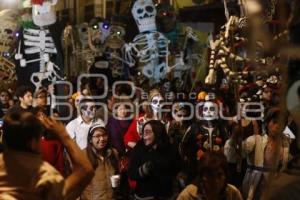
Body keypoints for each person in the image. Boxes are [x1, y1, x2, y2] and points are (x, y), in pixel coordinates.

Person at [0, 111, 94, 199]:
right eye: (39, 138)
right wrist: (63, 134)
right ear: (33, 143)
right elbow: (85, 170)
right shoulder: (45, 176)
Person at [242, 108, 291, 200]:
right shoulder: (256, 140)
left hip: (276, 188)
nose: (277, 126)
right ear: (267, 123)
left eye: (281, 123)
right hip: (256, 187)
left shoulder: (286, 144)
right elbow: (241, 151)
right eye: (274, 122)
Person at [128, 120, 180, 200]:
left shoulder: (169, 148)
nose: (144, 135)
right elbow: (131, 174)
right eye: (144, 132)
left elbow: (178, 169)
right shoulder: (139, 148)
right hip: (144, 196)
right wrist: (143, 170)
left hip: (165, 195)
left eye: (148, 132)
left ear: (158, 133)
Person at [177, 151, 243, 200]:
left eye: (219, 175)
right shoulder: (188, 196)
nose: (215, 181)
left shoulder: (232, 193)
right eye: (210, 176)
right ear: (201, 177)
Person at [81, 124, 120, 200]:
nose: (102, 138)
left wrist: (118, 178)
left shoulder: (113, 153)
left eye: (104, 135)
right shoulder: (83, 156)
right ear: (90, 139)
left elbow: (117, 172)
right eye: (97, 136)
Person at [32, 106, 65, 175]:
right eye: (39, 115)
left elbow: (60, 164)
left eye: (44, 114)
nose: (42, 117)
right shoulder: (28, 139)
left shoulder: (55, 138)